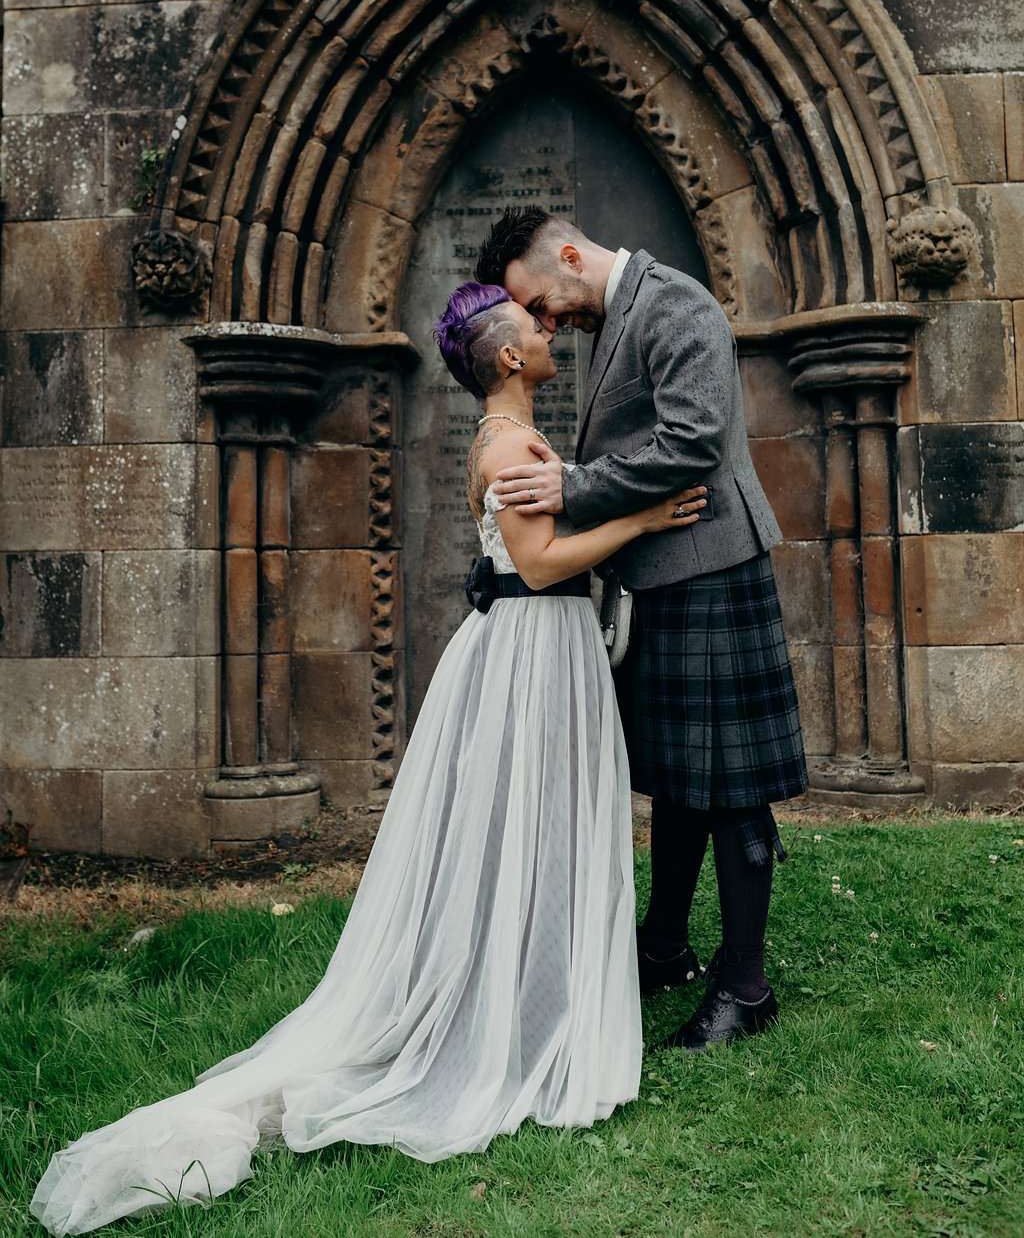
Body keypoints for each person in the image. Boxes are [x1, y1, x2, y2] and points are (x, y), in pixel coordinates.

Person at [29, 281, 706, 1236]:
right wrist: (645, 520)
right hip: (531, 653)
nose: (551, 330)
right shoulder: (508, 445)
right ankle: (504, 1020)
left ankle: (531, 1000)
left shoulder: (514, 436)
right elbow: (541, 564)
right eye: (536, 326)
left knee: (534, 827)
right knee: (524, 823)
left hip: (544, 649)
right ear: (510, 357)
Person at [474, 208, 808, 1052]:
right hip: (661, 574)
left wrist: (574, 487)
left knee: (731, 785)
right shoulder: (617, 317)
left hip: (711, 566)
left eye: (539, 303)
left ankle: (746, 987)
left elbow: (693, 440)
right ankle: (663, 947)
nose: (545, 323)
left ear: (570, 255)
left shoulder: (677, 304)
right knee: (679, 778)